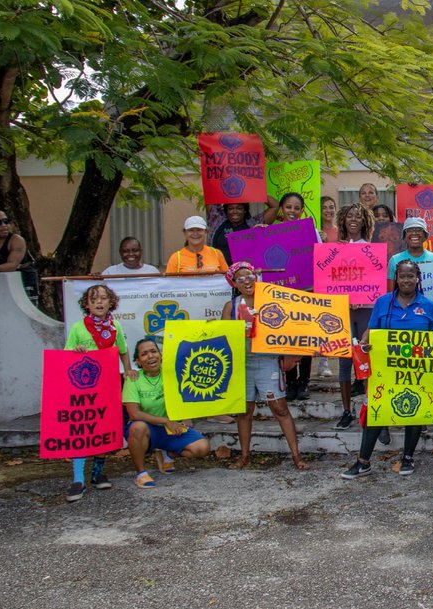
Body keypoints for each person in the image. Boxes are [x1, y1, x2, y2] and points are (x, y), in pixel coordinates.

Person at [341, 260, 433, 478]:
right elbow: (372, 330)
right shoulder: (383, 302)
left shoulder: (429, 305)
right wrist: (364, 346)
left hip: (416, 371)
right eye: (402, 276)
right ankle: (363, 461)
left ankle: (408, 457)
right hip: (385, 370)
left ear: (417, 278)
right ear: (396, 278)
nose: (406, 280)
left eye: (411, 276)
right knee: (377, 413)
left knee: (414, 411)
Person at [221, 262, 308, 470]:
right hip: (244, 362)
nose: (247, 282)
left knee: (280, 408)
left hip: (267, 361)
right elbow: (224, 337)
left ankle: (297, 456)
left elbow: (289, 327)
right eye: (240, 279)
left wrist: (292, 356)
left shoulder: (270, 301)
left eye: (250, 276)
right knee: (245, 411)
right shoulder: (231, 306)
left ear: (257, 277)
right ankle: (244, 456)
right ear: (234, 284)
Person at [63, 284, 137, 501]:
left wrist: (129, 370)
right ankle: (78, 479)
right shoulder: (78, 328)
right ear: (86, 304)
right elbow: (66, 354)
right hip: (84, 387)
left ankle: (97, 474)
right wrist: (76, 352)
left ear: (110, 302)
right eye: (94, 298)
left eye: (104, 298)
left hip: (109, 385)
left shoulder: (115, 327)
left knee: (103, 427)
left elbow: (123, 352)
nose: (99, 302)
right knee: (83, 429)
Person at [122, 338, 211, 488]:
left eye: (153, 351)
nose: (150, 356)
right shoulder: (133, 379)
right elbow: (134, 414)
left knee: (202, 448)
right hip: (147, 429)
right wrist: (165, 421)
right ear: (138, 361)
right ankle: (141, 473)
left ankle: (166, 454)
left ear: (161, 354)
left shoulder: (173, 371)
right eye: (144, 354)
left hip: (171, 428)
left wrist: (212, 329)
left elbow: (196, 354)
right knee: (138, 427)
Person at [274, 192, 320, 401]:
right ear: (281, 209)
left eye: (296, 208)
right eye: (288, 207)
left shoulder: (311, 232)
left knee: (306, 339)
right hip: (283, 295)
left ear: (301, 210)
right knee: (287, 338)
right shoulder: (270, 233)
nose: (292, 211)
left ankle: (304, 383)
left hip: (307, 294)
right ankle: (290, 380)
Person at [333, 203, 375, 428]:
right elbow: (328, 280)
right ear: (343, 220)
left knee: (366, 358)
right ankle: (346, 411)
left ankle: (369, 408)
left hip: (366, 310)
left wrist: (363, 297)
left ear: (364, 222)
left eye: (358, 217)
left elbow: (374, 282)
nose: (353, 220)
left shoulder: (371, 248)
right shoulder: (333, 249)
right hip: (342, 311)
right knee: (343, 361)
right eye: (349, 216)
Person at [0, 209, 40, 300]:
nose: (4, 225)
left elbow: (12, 265)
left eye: (6, 221)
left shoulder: (17, 240)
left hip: (23, 277)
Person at [209, 199, 279, 264]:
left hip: (246, 273)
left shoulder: (254, 224)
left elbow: (274, 206)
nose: (235, 211)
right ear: (226, 211)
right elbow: (212, 197)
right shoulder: (217, 221)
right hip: (220, 272)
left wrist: (256, 192)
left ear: (245, 210)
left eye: (239, 208)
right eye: (230, 208)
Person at [387, 217, 433, 286]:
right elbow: (391, 292)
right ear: (404, 236)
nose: (414, 233)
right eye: (409, 230)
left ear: (425, 236)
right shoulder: (395, 260)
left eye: (418, 230)